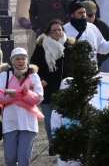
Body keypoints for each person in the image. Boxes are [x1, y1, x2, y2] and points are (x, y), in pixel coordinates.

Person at [30, 20, 74, 155]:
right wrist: (40, 79)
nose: (57, 32)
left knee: (65, 120)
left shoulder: (69, 46)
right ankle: (53, 145)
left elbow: (74, 66)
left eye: (59, 30)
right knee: (49, 122)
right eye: (54, 30)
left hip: (65, 89)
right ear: (48, 33)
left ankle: (66, 145)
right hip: (48, 90)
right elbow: (33, 65)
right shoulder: (41, 46)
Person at [0, 48, 44, 166]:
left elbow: (39, 98)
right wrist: (19, 95)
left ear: (27, 60)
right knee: (10, 158)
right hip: (10, 122)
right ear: (12, 61)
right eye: (17, 59)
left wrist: (21, 94)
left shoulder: (33, 76)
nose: (21, 61)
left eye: (23, 59)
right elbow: (0, 96)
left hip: (28, 123)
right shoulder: (5, 75)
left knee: (24, 159)